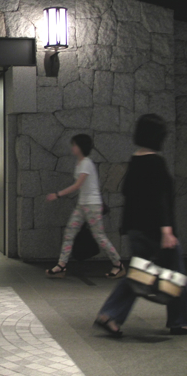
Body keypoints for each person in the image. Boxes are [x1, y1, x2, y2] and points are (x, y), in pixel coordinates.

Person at [94, 114, 187, 336]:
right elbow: (161, 199)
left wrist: (127, 227)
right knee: (176, 274)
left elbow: (129, 194)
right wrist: (167, 231)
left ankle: (110, 315)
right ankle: (179, 321)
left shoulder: (135, 161)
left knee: (140, 274)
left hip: (137, 230)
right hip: (156, 231)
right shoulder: (156, 162)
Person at [45, 134, 125, 279]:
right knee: (69, 233)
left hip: (92, 205)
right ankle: (61, 265)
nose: (72, 147)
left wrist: (57, 194)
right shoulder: (80, 162)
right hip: (83, 205)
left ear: (81, 147)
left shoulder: (86, 163)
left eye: (74, 144)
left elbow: (77, 185)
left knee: (99, 237)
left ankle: (118, 265)